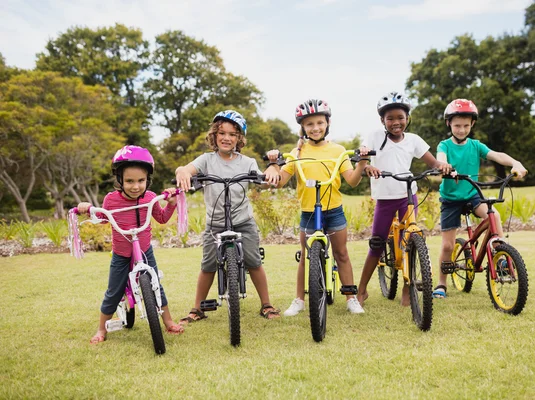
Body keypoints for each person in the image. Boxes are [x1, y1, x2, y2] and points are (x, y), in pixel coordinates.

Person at [175, 110, 282, 322]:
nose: (226, 138)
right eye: (222, 133)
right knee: (208, 266)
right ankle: (197, 309)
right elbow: (184, 169)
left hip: (243, 222)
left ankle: (267, 304)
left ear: (239, 138)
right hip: (215, 224)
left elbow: (268, 178)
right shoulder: (206, 160)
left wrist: (273, 169)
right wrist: (183, 173)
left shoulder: (248, 162)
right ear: (214, 135)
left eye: (232, 134)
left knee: (254, 261)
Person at [266, 98, 369, 315]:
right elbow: (281, 180)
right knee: (305, 255)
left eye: (320, 123)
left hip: (333, 210)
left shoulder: (338, 151)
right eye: (310, 124)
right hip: (309, 211)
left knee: (341, 253)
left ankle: (351, 298)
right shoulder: (297, 153)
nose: (315, 128)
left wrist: (361, 163)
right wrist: (275, 164)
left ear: (327, 123)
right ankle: (299, 300)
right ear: (303, 127)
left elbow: (351, 180)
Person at [77, 145, 184, 344]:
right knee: (114, 291)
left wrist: (171, 203)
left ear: (147, 180)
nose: (135, 186)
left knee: (155, 285)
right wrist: (88, 209)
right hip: (121, 253)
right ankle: (102, 329)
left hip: (144, 251)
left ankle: (168, 322)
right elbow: (102, 218)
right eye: (129, 181)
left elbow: (161, 218)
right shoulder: (111, 199)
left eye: (141, 181)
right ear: (119, 180)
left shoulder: (151, 198)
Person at [355, 92, 452, 307]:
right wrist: (367, 164)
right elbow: (362, 158)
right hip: (385, 197)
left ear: (407, 118)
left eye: (400, 117)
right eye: (390, 118)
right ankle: (361, 291)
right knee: (377, 243)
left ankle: (407, 290)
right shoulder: (374, 137)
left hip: (408, 195)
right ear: (382, 121)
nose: (396, 122)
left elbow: (433, 162)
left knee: (409, 241)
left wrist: (441, 166)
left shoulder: (414, 140)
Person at [433, 99, 528, 298]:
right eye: (457, 125)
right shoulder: (445, 145)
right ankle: (441, 284)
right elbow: (440, 157)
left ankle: (500, 255)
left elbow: (497, 155)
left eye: (466, 125)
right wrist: (443, 165)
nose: (461, 129)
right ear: (448, 124)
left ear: (472, 124)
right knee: (448, 245)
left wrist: (515, 162)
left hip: (472, 194)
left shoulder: (476, 146)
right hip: (450, 198)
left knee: (493, 216)